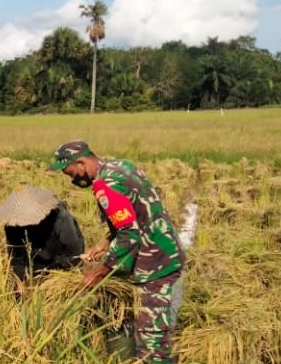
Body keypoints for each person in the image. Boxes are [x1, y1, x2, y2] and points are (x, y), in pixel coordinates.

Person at [49, 140, 185, 364]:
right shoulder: (122, 167)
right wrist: (104, 243)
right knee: (150, 325)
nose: (71, 179)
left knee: (151, 337)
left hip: (155, 262)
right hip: (165, 248)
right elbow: (130, 214)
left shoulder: (105, 185)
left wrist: (99, 272)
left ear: (81, 163)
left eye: (70, 172)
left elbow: (128, 234)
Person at [0, 186, 85, 284]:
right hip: (36, 259)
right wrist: (22, 282)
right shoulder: (12, 223)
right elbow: (16, 258)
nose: (24, 224)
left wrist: (52, 273)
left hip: (60, 258)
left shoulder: (60, 217)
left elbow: (74, 253)